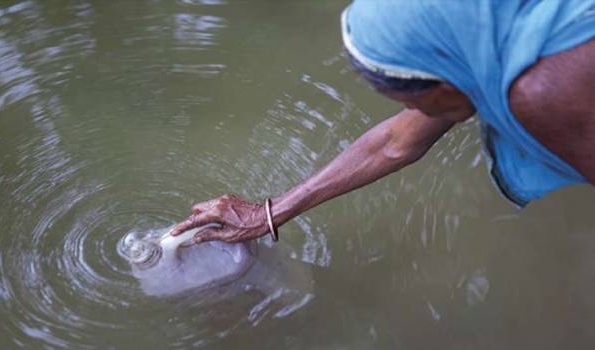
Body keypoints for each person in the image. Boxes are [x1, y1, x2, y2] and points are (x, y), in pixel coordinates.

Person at [170, 0, 595, 243]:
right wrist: (270, 212)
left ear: (443, 78)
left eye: (420, 102)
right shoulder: (483, 38)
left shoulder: (540, 94)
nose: (422, 116)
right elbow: (395, 141)